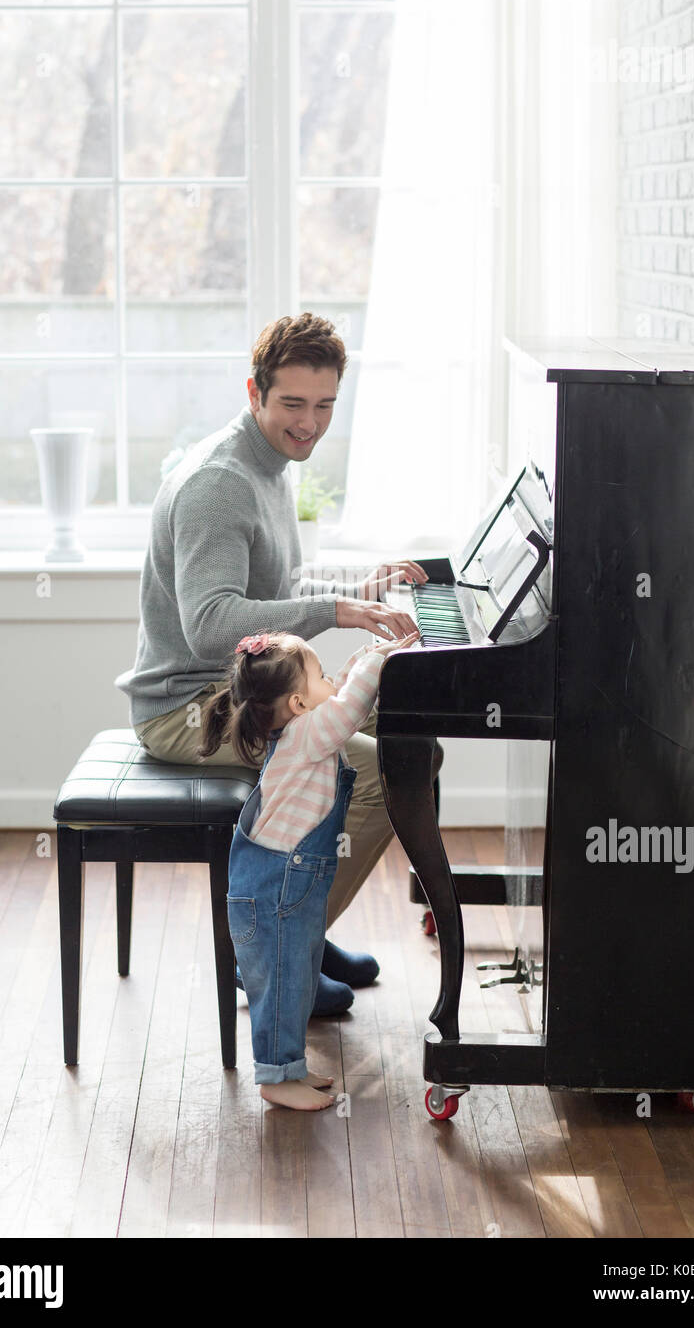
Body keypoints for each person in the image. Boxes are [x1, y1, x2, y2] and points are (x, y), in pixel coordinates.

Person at [115, 313, 443, 1016]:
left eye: (324, 406)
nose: (309, 424)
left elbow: (273, 591)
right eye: (293, 404)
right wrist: (335, 615)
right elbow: (210, 628)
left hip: (236, 686)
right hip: (188, 706)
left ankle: (303, 928)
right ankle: (275, 949)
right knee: (378, 768)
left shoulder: (270, 463)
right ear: (255, 392)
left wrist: (359, 593)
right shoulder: (220, 484)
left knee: (410, 723)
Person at [209, 627, 419, 1110]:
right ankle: (276, 1078)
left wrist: (367, 655)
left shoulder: (303, 725)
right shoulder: (309, 734)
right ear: (299, 704)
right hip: (276, 886)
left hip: (286, 881)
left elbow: (337, 694)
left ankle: (292, 1069)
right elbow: (350, 708)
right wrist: (377, 664)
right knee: (282, 987)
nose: (331, 682)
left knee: (298, 980)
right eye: (320, 675)